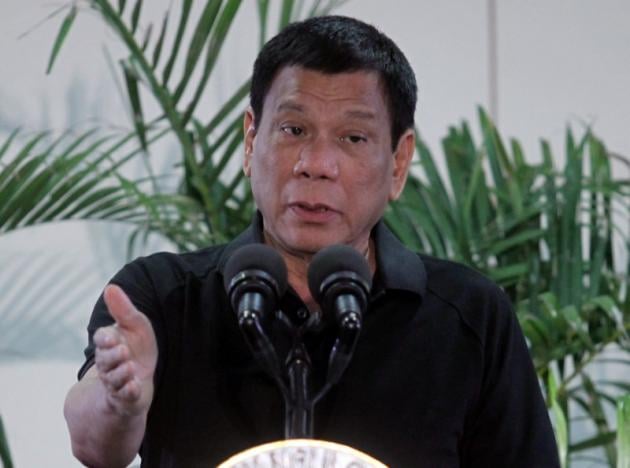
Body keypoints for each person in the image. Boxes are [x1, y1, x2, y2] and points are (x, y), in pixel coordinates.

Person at [64, 15, 560, 467]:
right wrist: (118, 400)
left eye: (353, 139)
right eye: (293, 129)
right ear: (250, 139)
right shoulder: (164, 297)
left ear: (399, 163)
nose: (316, 163)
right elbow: (92, 445)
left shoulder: (469, 317)